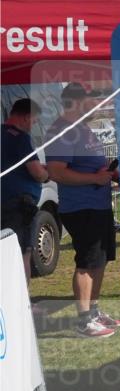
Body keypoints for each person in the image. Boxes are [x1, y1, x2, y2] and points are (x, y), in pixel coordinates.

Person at [45, 83, 120, 338]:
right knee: (87, 263)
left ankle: (94, 312)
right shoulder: (62, 130)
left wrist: (109, 173)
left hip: (98, 205)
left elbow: (88, 165)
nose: (97, 104)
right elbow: (56, 172)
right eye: (92, 99)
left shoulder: (82, 128)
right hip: (81, 207)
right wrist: (94, 179)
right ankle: (84, 320)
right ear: (77, 101)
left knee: (99, 260)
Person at [1, 99, 50, 312]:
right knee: (23, 253)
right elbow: (37, 173)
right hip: (17, 206)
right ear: (26, 117)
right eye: (34, 120)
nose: (34, 124)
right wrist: (47, 174)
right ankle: (22, 305)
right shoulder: (20, 138)